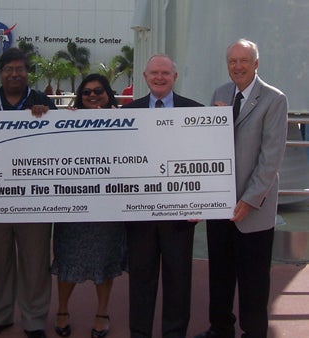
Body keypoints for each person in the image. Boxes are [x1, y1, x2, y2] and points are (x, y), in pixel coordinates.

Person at [194, 39, 288, 338]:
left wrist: (248, 201)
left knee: (254, 279)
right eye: (232, 61)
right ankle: (220, 328)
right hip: (220, 207)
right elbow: (210, 148)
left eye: (243, 61)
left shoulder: (274, 99)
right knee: (220, 274)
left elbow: (270, 159)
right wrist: (215, 121)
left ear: (256, 63)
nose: (237, 66)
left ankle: (254, 332)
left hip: (253, 209)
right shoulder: (220, 94)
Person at [0, 47, 57, 338]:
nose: (14, 74)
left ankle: (34, 319)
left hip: (34, 200)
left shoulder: (42, 102)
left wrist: (47, 118)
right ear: (0, 73)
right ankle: (0, 315)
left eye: (20, 69)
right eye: (8, 69)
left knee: (35, 264)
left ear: (27, 73)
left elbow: (59, 144)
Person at [122, 54, 203, 338]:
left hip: (180, 215)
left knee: (178, 280)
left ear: (175, 77)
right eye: (154, 73)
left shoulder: (196, 112)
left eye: (165, 73)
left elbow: (206, 158)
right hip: (139, 215)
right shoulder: (126, 114)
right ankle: (140, 333)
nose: (159, 77)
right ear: (144, 77)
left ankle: (174, 333)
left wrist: (220, 119)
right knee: (141, 280)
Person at [51, 73, 126, 338]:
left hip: (108, 206)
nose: (92, 95)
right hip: (73, 204)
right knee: (67, 258)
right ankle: (61, 310)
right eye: (86, 92)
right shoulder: (65, 121)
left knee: (105, 260)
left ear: (108, 93)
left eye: (98, 90)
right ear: (79, 97)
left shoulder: (126, 120)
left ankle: (102, 313)